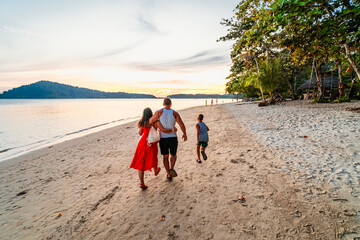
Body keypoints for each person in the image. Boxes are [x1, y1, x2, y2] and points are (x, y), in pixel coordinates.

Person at [130, 108, 177, 189]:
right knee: (153, 158)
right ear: (151, 113)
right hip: (152, 143)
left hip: (143, 143)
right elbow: (163, 130)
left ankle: (142, 183)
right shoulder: (155, 122)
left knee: (141, 161)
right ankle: (155, 171)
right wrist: (173, 130)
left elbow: (140, 133)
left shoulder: (142, 123)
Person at [149, 98, 187, 180]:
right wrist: (184, 134)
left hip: (163, 138)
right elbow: (182, 124)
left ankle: (169, 174)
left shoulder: (159, 112)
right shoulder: (175, 113)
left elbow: (150, 121)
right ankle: (172, 168)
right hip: (173, 137)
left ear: (163, 104)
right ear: (171, 104)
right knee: (173, 154)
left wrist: (157, 123)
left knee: (165, 156)